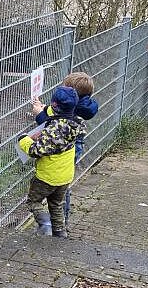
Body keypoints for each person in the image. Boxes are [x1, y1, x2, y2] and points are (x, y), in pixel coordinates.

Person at [33, 72, 99, 228]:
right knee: (64, 183)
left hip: (64, 149)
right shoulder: (82, 107)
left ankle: (54, 221)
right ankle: (60, 223)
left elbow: (56, 128)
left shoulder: (73, 111)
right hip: (75, 146)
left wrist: (40, 115)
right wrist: (47, 109)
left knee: (58, 186)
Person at [20, 86, 85, 239]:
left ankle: (45, 224)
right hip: (65, 176)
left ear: (54, 105)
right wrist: (42, 109)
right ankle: (60, 232)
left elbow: (36, 150)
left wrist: (24, 140)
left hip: (47, 176)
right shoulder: (77, 123)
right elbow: (56, 117)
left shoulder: (54, 129)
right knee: (56, 204)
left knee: (33, 201)